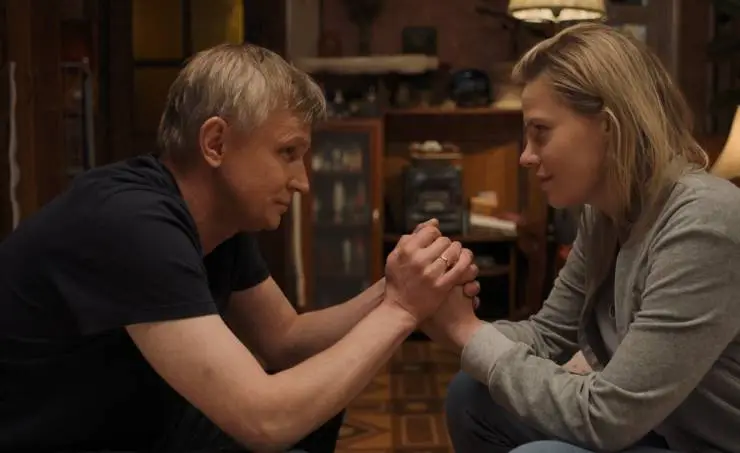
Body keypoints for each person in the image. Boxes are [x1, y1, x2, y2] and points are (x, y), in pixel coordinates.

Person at [0, 44, 480, 453]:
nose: (302, 181)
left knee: (314, 405)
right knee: (291, 414)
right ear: (215, 143)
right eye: (287, 153)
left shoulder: (217, 220)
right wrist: (400, 310)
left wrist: (403, 288)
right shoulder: (133, 222)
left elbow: (285, 340)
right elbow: (264, 420)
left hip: (134, 423)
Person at [423, 22, 740, 453]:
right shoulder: (605, 214)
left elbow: (608, 416)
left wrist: (465, 331)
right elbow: (548, 337)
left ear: (608, 126)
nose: (525, 156)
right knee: (472, 396)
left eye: (540, 132)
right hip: (661, 428)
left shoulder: (705, 222)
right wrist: (436, 310)